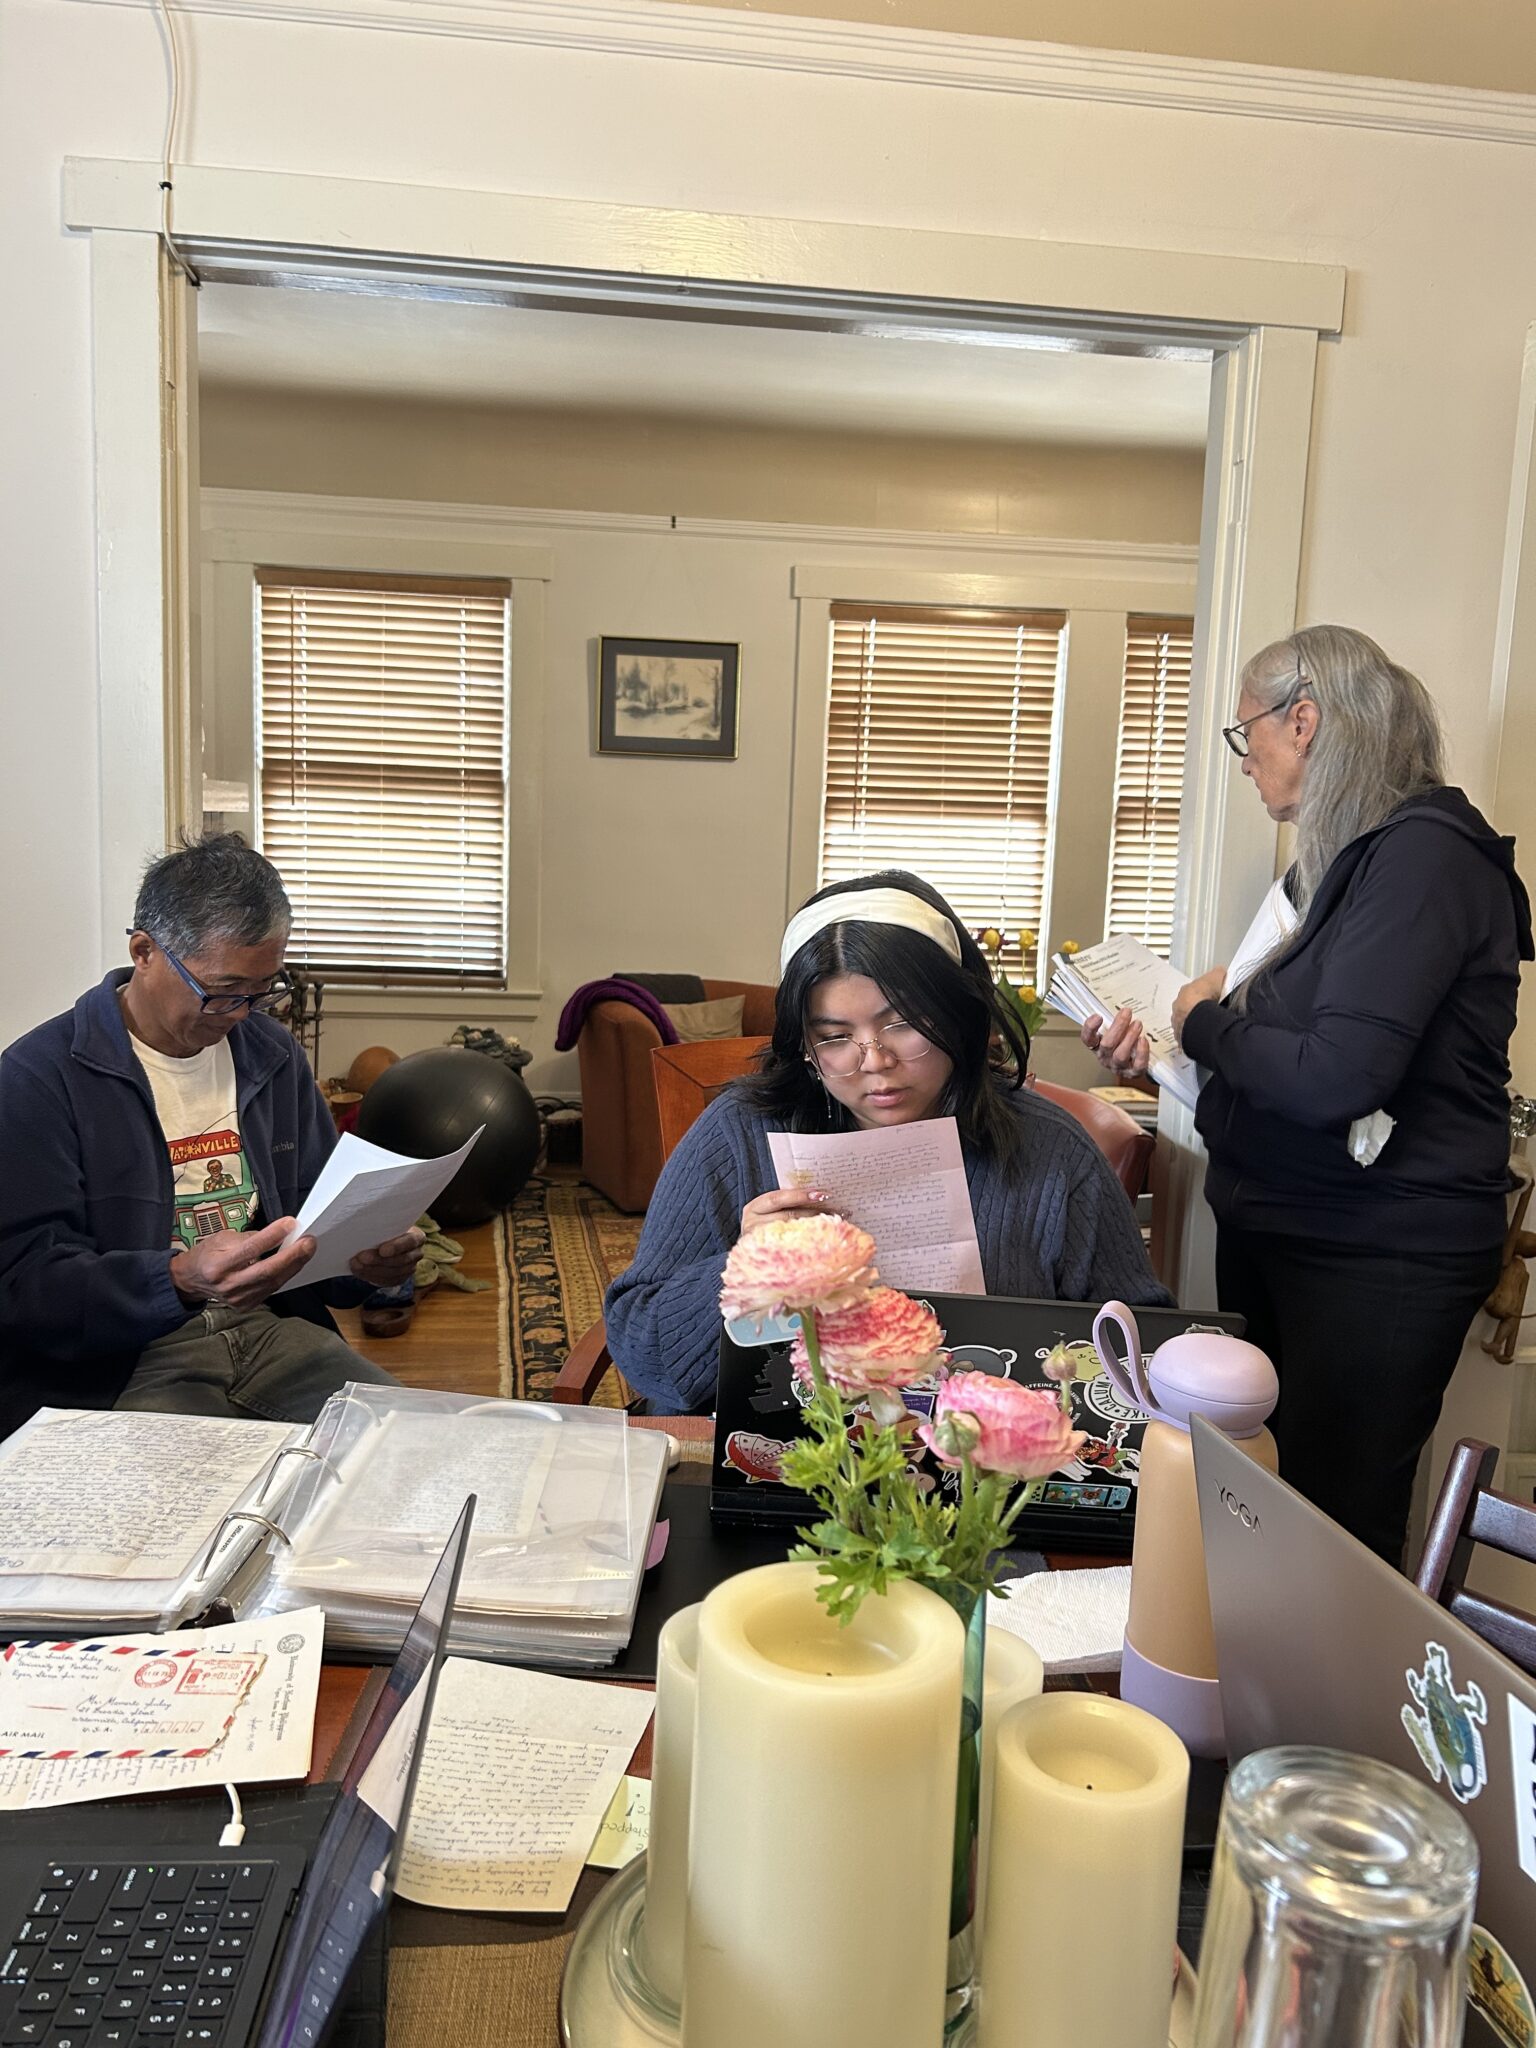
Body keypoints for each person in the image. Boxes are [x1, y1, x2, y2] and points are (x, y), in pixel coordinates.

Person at [1082, 625, 1531, 1565]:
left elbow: (1337, 1077)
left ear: (1307, 720)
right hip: (1299, 1234)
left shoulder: (1425, 859)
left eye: (1249, 737)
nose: (1247, 766)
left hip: (1377, 1255)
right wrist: (1169, 1055)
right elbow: (1288, 1064)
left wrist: (1201, 1018)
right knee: (1269, 1509)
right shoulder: (1339, 865)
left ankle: (1335, 1715)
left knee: (1336, 1527)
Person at [605, 870, 1170, 1411]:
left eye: (902, 1024)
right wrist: (745, 1268)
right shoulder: (738, 1132)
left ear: (957, 1016)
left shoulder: (1051, 1151)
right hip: (777, 1462)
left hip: (980, 1472)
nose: (875, 1061)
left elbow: (1141, 1345)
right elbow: (646, 1355)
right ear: (804, 1045)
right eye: (835, 1037)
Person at [0, 833, 424, 1436]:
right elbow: (22, 1289)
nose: (243, 1014)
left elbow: (313, 1222)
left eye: (264, 989)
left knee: (413, 1447)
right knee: (192, 1516)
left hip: (270, 1333)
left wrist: (366, 1262)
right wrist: (174, 1280)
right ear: (144, 951)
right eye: (221, 991)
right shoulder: (37, 1079)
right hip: (125, 1362)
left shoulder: (271, 1055)